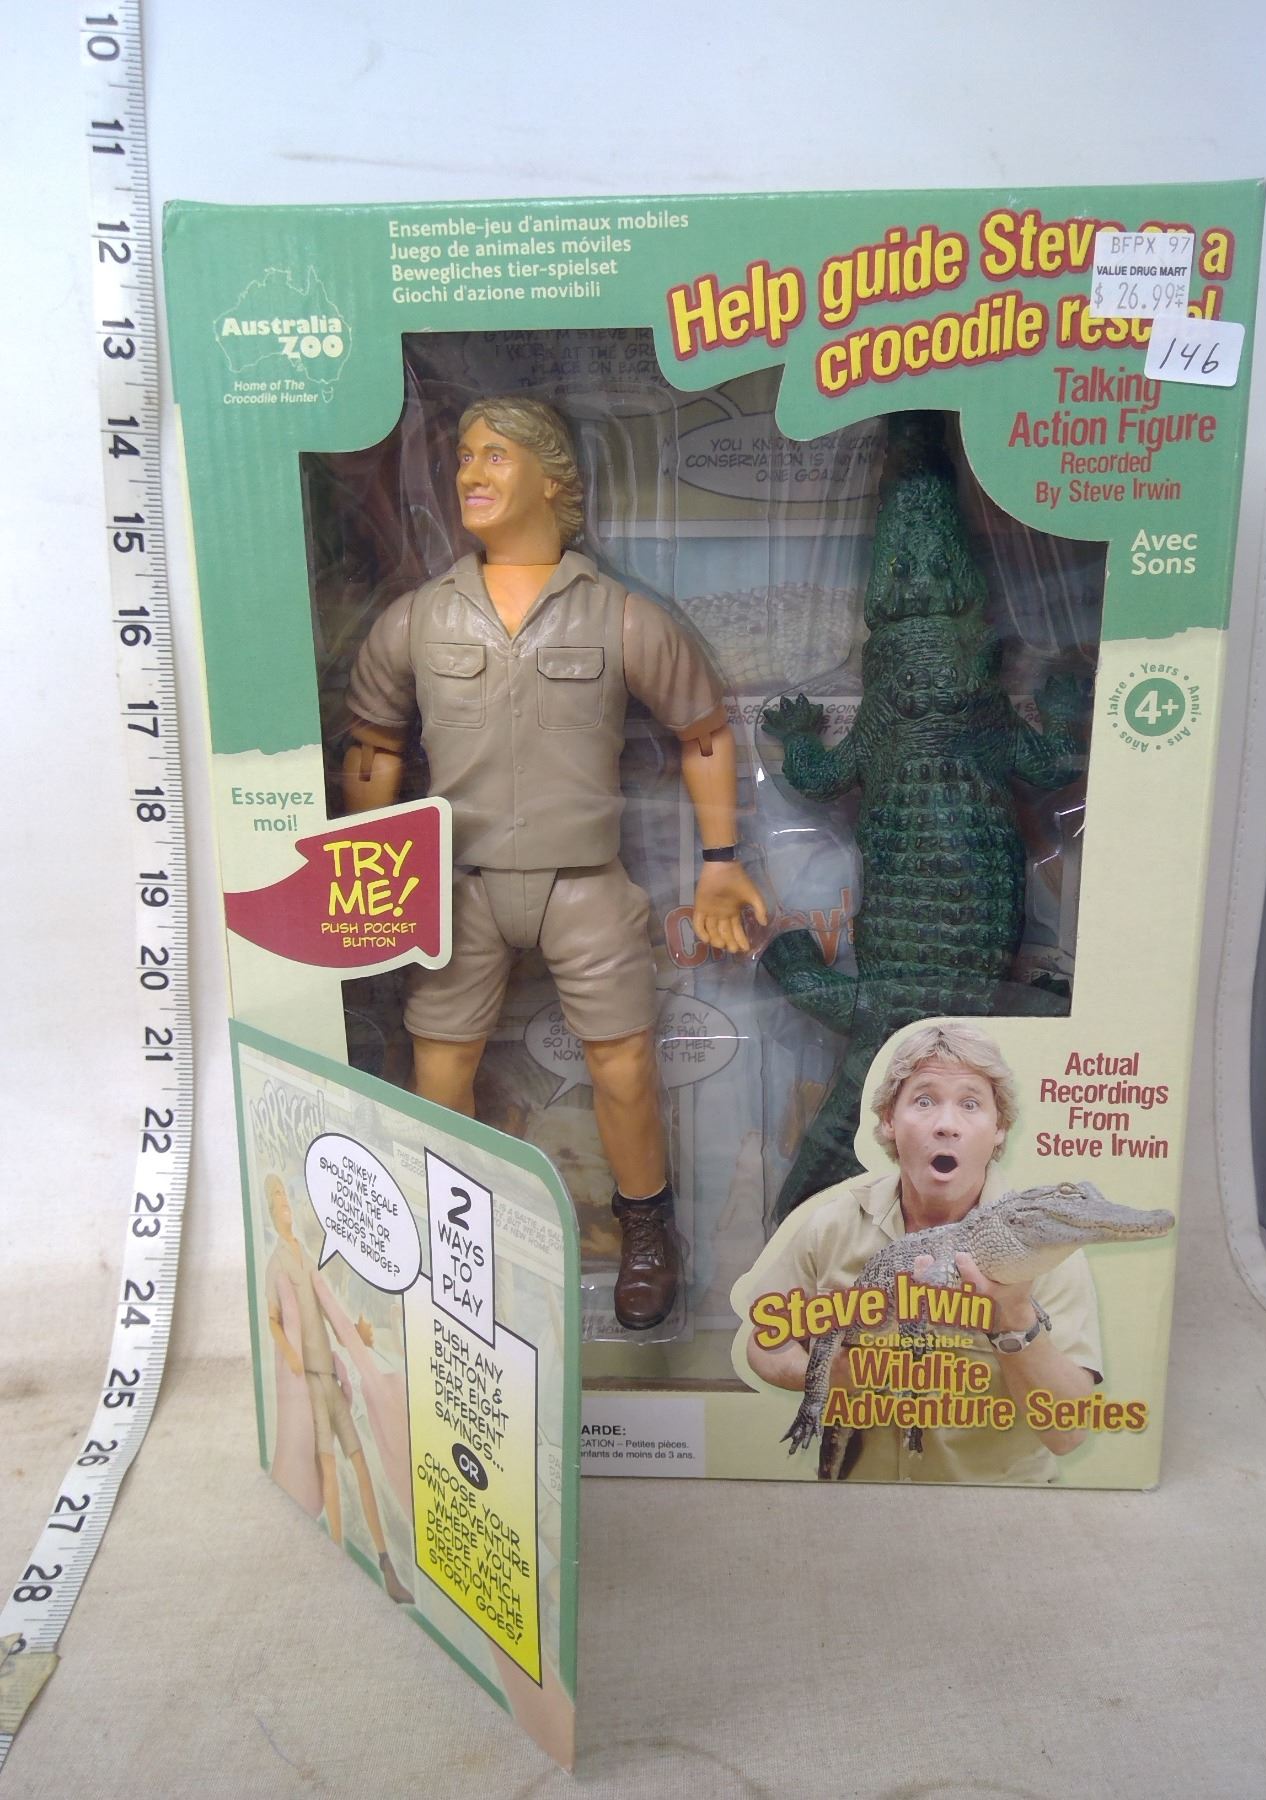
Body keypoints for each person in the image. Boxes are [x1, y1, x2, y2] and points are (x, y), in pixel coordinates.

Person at [342, 396, 766, 1329]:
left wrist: (720, 861)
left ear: (552, 478)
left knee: (624, 1064)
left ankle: (647, 1229)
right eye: (463, 456)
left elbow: (701, 732)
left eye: (495, 456)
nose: (470, 473)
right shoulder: (421, 620)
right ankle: (447, 1236)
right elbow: (374, 745)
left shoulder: (619, 617)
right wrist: (371, 876)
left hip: (584, 883)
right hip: (458, 887)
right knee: (440, 1064)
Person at [741, 1021, 1103, 1482]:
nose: (946, 1125)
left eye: (970, 1103)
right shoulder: (831, 1225)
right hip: (855, 1498)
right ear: (889, 1120)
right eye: (924, 1101)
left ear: (999, 1128)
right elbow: (764, 1342)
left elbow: (1068, 1434)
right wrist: (840, 1374)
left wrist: (1015, 1316)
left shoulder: (1045, 1247)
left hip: (998, 1504)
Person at [263, 1174, 414, 1599]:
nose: (285, 1202)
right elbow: (272, 1319)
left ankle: (385, 1565)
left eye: (285, 1195)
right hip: (311, 1380)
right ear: (271, 1211)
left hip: (329, 1378)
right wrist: (291, 1355)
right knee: (329, 1467)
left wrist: (355, 1339)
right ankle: (336, 1553)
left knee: (359, 1463)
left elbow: (330, 1309)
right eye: (278, 1198)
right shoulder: (277, 1264)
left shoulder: (305, 1257)